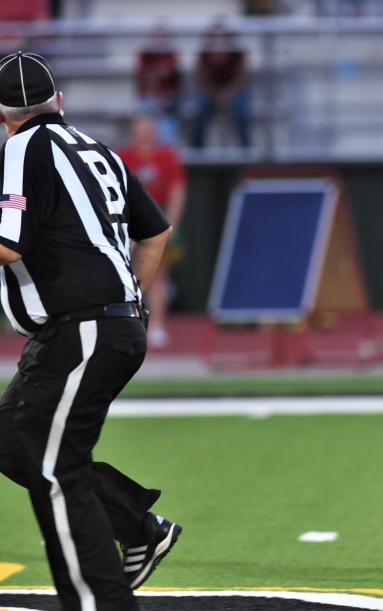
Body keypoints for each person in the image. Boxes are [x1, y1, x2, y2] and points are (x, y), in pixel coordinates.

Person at [0, 52, 180, 611]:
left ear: (4, 115)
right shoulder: (95, 147)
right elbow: (155, 233)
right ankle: (138, 526)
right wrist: (129, 302)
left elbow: (8, 245)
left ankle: (101, 603)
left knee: (55, 470)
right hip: (102, 326)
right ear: (59, 100)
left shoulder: (23, 147)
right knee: (13, 441)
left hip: (81, 330)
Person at [119, 115, 187, 348]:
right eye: (141, 129)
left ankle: (157, 324)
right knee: (126, 278)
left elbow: (177, 191)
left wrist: (170, 223)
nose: (145, 134)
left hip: (155, 224)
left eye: (149, 129)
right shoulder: (123, 156)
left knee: (158, 276)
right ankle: (130, 323)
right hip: (129, 225)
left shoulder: (167, 157)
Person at [190, 22, 251, 149]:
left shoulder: (237, 53)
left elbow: (241, 78)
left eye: (223, 37)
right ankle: (197, 151)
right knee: (199, 109)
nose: (219, 41)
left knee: (242, 110)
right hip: (210, 93)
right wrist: (216, 94)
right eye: (215, 37)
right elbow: (202, 79)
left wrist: (228, 93)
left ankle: (247, 151)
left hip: (233, 92)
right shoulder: (203, 54)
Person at [134, 26, 182, 144]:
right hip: (148, 97)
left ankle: (166, 150)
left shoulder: (171, 55)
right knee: (144, 108)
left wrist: (163, 99)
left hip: (168, 99)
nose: (160, 41)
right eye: (157, 37)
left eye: (163, 37)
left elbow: (174, 80)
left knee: (168, 124)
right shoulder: (145, 55)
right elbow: (143, 80)